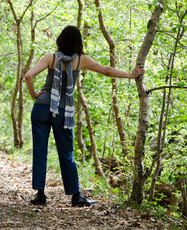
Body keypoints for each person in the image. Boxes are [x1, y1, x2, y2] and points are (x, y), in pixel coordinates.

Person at [24, 25, 145, 207]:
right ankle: (76, 196)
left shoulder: (50, 58)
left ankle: (40, 195)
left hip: (41, 108)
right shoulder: (80, 60)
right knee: (66, 153)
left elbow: (28, 76)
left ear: (60, 40)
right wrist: (130, 75)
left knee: (40, 151)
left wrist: (34, 95)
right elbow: (106, 70)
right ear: (78, 42)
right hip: (63, 111)